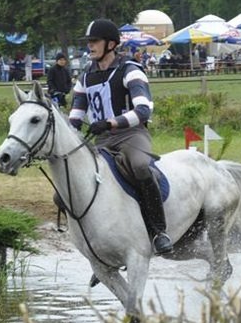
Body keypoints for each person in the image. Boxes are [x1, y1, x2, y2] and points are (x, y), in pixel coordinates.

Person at [68, 18, 173, 256]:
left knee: (140, 166)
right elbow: (75, 117)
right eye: (89, 41)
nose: (90, 45)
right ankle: (97, 247)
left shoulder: (130, 70)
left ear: (111, 44)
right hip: (101, 141)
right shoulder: (85, 77)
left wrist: (110, 123)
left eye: (95, 41)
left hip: (131, 135)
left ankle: (159, 231)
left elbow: (143, 111)